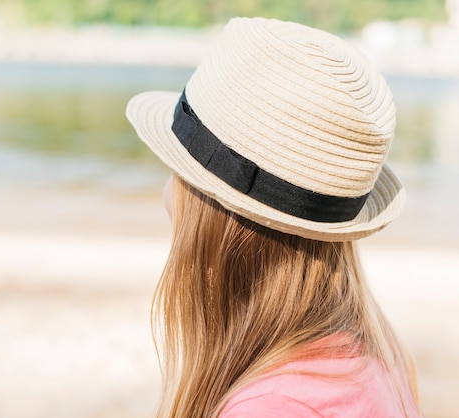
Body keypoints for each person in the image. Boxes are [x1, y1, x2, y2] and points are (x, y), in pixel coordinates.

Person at [126, 17, 422, 418]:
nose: (167, 196)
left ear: (214, 212)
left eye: (176, 171)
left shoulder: (273, 407)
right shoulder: (370, 358)